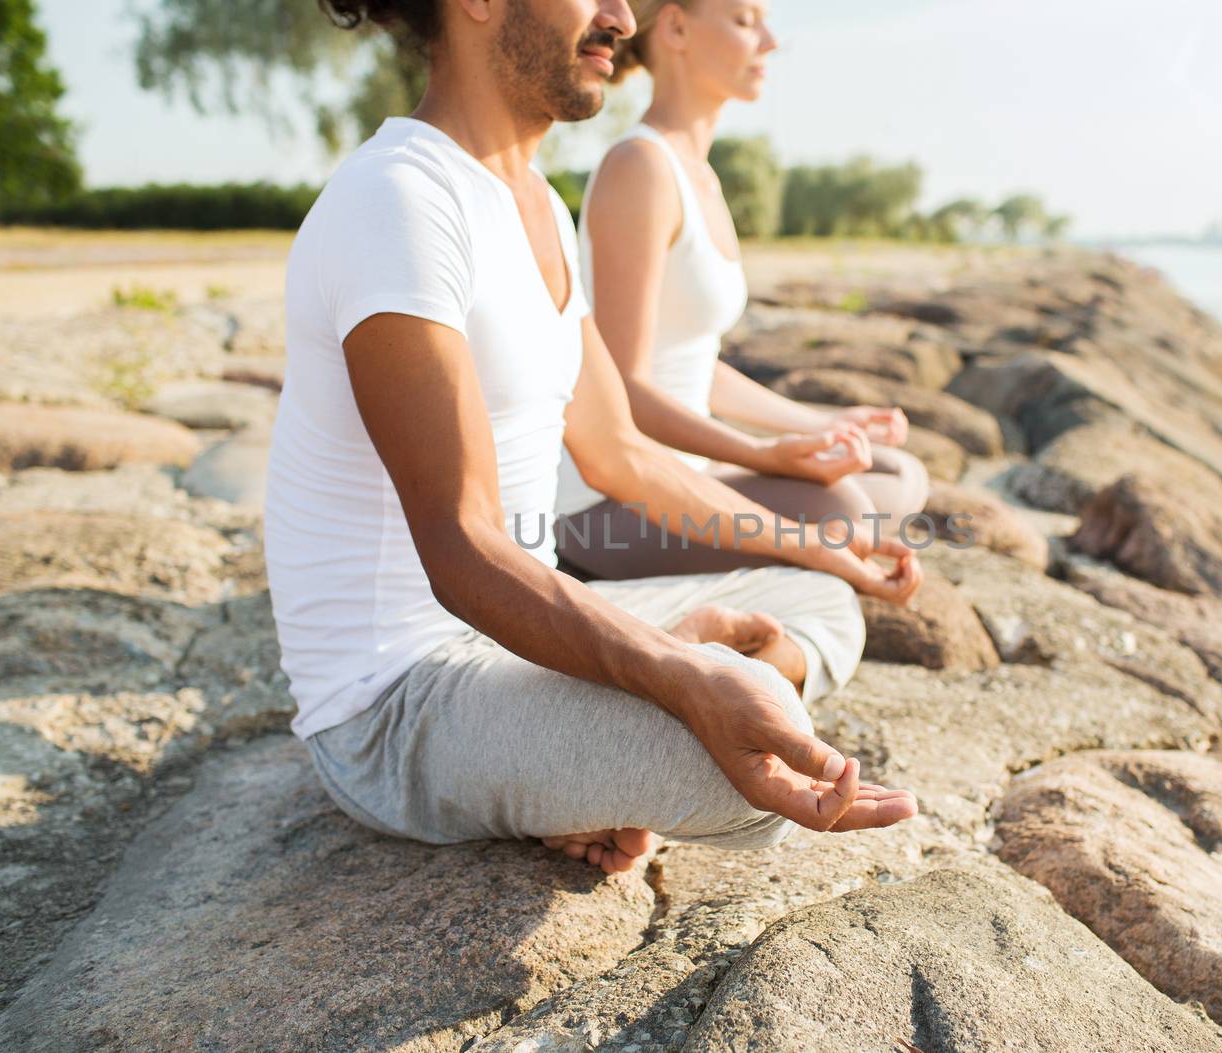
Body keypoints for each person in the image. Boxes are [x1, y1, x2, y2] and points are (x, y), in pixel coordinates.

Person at [264, 0, 922, 876]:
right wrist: (682, 678)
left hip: (507, 633)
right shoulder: (398, 201)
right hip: (395, 705)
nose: (620, 15)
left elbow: (622, 455)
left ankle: (598, 739)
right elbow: (462, 548)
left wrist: (824, 549)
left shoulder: (532, 199)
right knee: (751, 743)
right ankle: (601, 737)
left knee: (822, 602)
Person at [552, 0, 930, 578]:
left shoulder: (698, 173)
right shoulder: (640, 168)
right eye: (746, 21)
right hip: (606, 503)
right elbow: (624, 389)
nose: (771, 42)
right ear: (676, 27)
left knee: (900, 476)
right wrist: (760, 453)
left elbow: (690, 363)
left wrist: (822, 423)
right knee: (844, 513)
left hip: (690, 474)